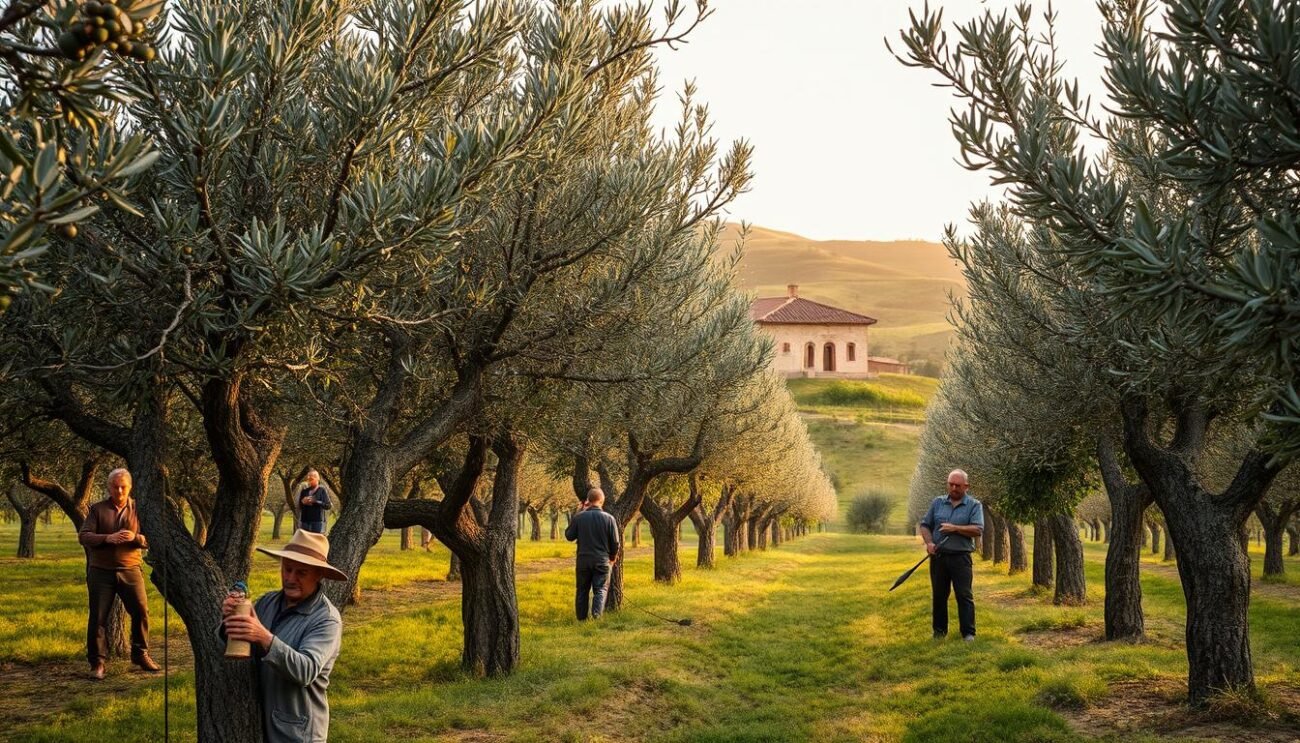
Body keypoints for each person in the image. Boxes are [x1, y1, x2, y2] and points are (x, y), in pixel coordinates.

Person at [222, 529, 346, 743]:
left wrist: (264, 637)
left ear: (318, 575)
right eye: (287, 569)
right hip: (261, 726)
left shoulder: (327, 620)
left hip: (298, 734)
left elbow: (305, 670)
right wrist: (231, 620)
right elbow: (241, 644)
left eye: (301, 573)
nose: (290, 578)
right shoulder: (268, 602)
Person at [78, 467, 159, 679]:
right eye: (115, 487)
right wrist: (107, 538)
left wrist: (136, 538)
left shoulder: (139, 509)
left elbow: (150, 539)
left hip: (131, 569)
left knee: (141, 611)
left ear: (130, 487)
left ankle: (140, 653)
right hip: (101, 572)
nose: (120, 491)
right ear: (109, 487)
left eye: (123, 487)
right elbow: (84, 536)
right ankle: (97, 664)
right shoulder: (97, 509)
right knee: (98, 618)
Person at [918, 469, 985, 641]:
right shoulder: (937, 503)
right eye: (951, 484)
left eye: (958, 485)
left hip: (961, 558)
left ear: (966, 486)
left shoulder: (974, 505)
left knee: (964, 595)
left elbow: (978, 529)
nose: (953, 488)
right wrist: (929, 543)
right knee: (939, 595)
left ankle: (968, 633)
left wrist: (955, 528)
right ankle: (939, 632)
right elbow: (925, 525)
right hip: (939, 557)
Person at [564, 487, 621, 620]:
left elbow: (569, 536)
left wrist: (579, 512)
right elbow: (615, 542)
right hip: (602, 560)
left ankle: (581, 619)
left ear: (588, 501)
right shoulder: (609, 519)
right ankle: (596, 617)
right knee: (600, 589)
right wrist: (612, 558)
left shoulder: (579, 517)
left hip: (583, 560)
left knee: (582, 590)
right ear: (602, 501)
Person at [297, 469, 332, 534]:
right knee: (305, 542)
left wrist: (315, 501)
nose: (309, 481)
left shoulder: (322, 491)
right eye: (308, 479)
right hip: (304, 521)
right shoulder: (304, 491)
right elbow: (300, 506)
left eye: (311, 479)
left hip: (317, 522)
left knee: (315, 542)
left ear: (317, 478)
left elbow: (328, 506)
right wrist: (303, 502)